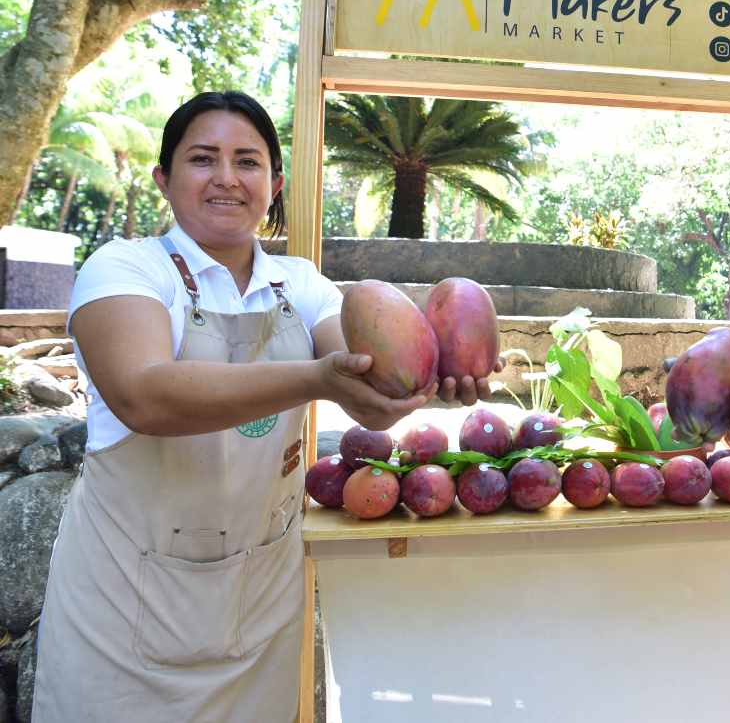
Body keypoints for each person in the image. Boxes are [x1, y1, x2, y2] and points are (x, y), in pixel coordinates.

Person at [32, 91, 494, 722]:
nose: (227, 177)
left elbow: (366, 393)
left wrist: (414, 383)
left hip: (260, 599)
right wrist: (316, 377)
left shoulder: (299, 283)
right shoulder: (126, 269)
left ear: (275, 183)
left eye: (247, 161)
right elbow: (145, 395)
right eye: (202, 159)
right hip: (124, 604)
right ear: (163, 179)